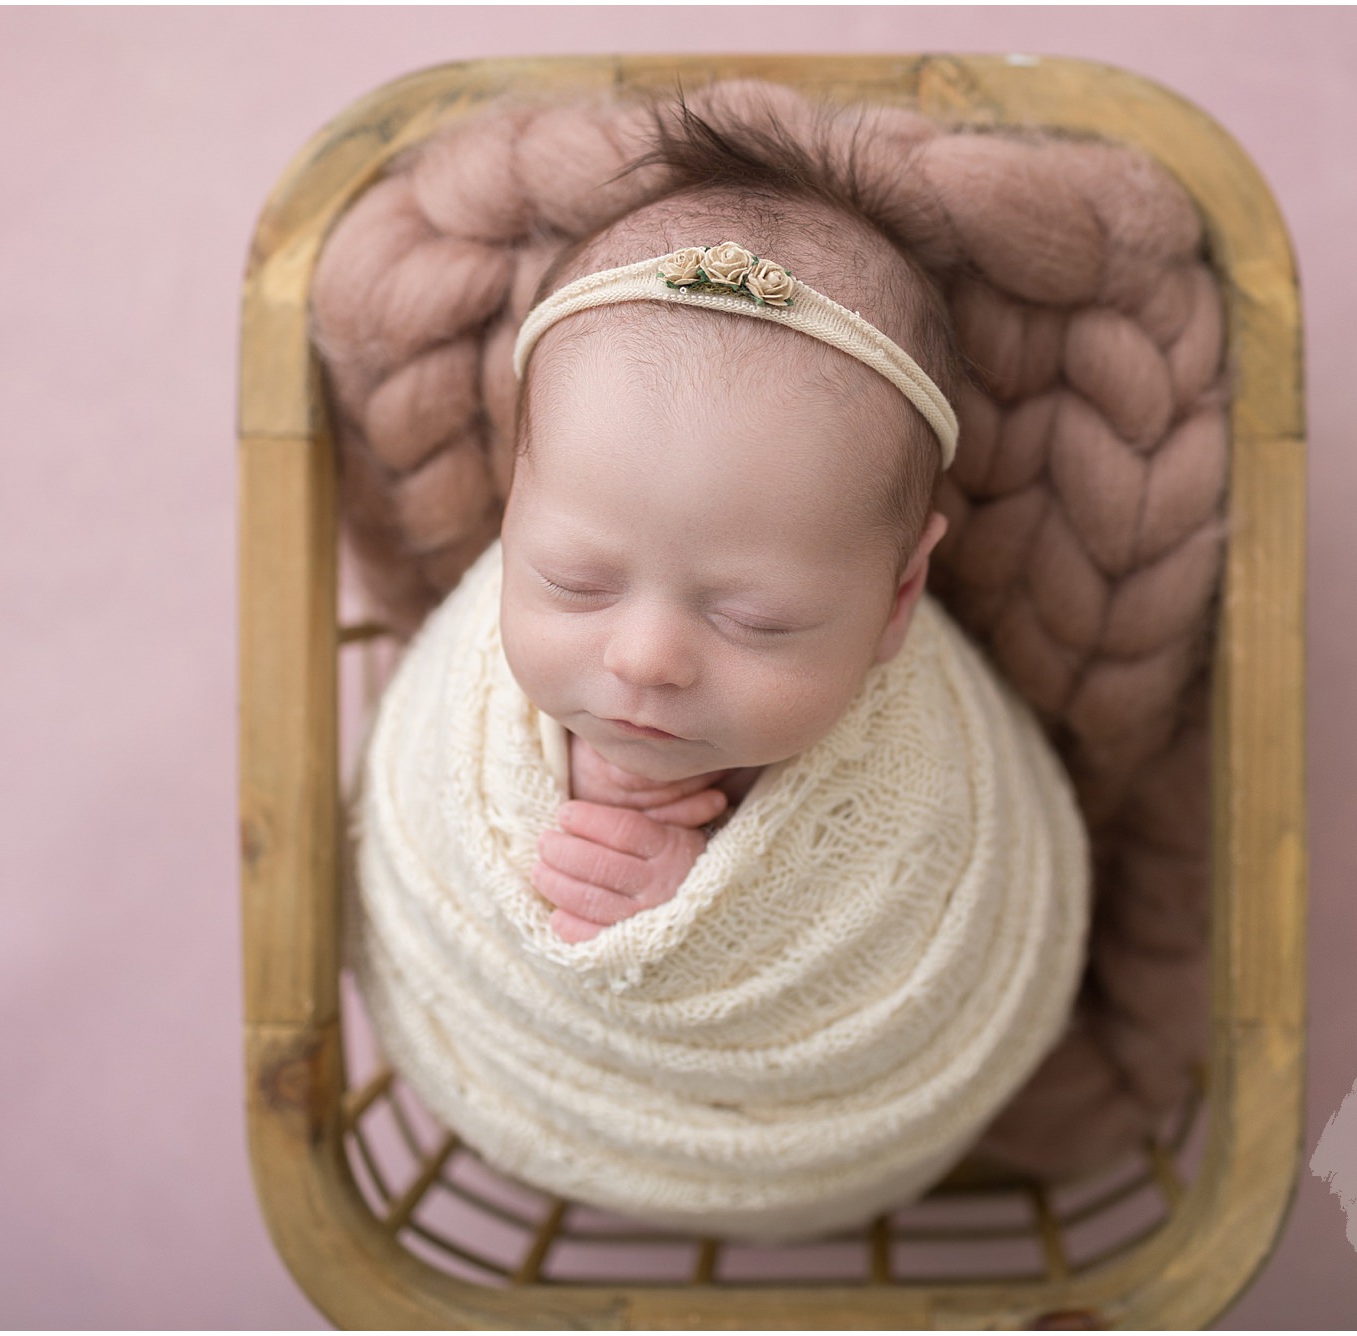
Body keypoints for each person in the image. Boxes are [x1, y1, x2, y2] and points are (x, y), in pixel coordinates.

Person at [348, 104, 1089, 1238]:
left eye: (755, 618)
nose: (645, 659)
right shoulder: (484, 674)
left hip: (817, 1130)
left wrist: (702, 918)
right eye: (574, 580)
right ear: (512, 512)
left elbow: (922, 918)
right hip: (529, 1067)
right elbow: (428, 815)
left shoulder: (918, 757)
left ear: (899, 596)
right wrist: (556, 827)